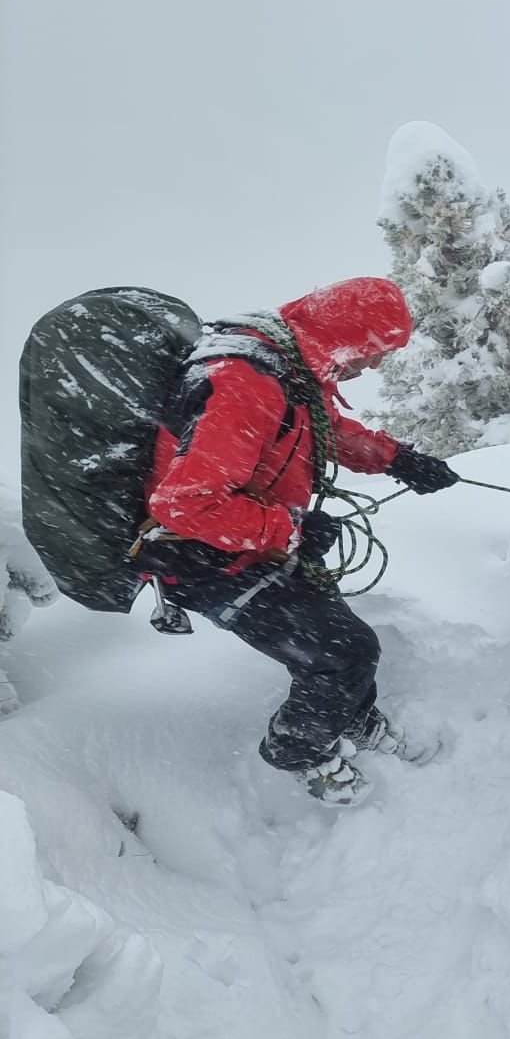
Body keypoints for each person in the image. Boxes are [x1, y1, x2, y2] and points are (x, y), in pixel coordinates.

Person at [135, 278, 461, 805]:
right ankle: (296, 753)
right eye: (374, 351)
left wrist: (396, 458)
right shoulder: (246, 381)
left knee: (337, 641)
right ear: (343, 334)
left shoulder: (286, 371)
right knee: (345, 653)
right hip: (204, 559)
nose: (374, 366)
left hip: (250, 546)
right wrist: (291, 529)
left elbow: (323, 427)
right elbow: (184, 505)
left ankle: (353, 719)